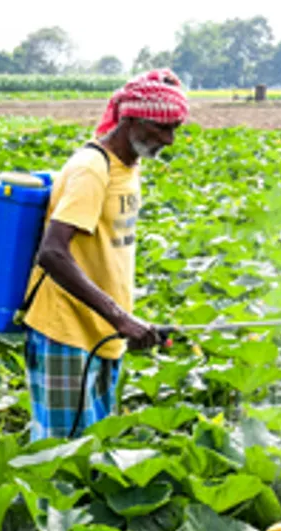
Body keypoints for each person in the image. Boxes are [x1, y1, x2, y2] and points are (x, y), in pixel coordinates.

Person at [19, 69, 189, 440]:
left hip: (103, 331)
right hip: (66, 332)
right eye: (161, 128)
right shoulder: (91, 169)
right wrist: (120, 317)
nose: (170, 139)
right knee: (61, 459)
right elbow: (52, 253)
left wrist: (124, 321)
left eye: (175, 128)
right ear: (130, 120)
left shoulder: (129, 166)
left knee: (93, 449)